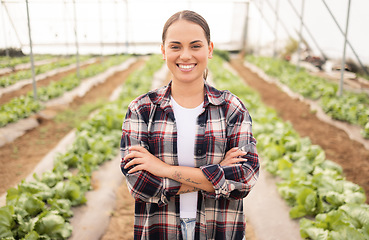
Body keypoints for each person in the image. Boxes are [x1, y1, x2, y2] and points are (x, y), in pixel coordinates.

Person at [120, 10, 259, 240]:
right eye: (175, 46)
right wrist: (217, 176)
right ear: (163, 51)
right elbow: (139, 185)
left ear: (209, 49)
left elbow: (244, 178)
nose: (185, 55)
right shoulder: (142, 109)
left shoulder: (231, 108)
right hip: (161, 230)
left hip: (218, 230)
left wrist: (162, 169)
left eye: (195, 46)